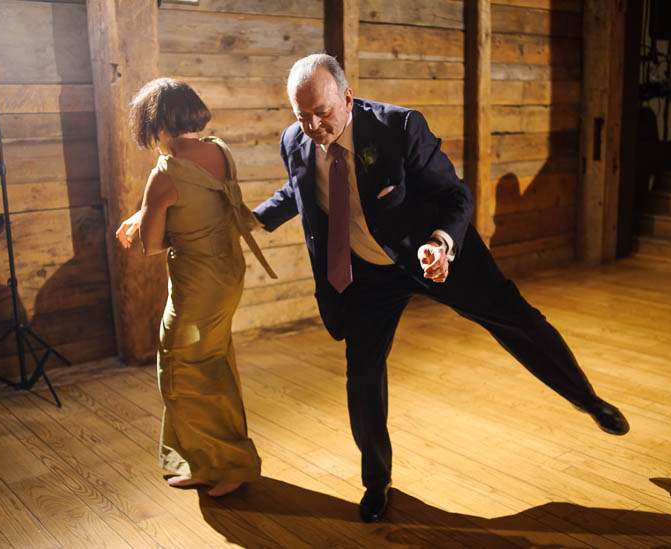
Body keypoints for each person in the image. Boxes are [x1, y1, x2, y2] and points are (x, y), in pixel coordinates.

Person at [253, 53, 629, 522]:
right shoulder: (294, 140)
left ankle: (586, 399)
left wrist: (441, 242)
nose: (313, 126)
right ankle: (376, 482)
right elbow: (299, 187)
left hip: (433, 253)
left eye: (323, 113)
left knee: (516, 320)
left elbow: (457, 195)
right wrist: (255, 219)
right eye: (302, 116)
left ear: (347, 97)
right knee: (363, 375)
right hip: (367, 274)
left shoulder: (399, 127)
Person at [115, 78, 277, 496]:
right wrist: (145, 212)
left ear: (154, 123)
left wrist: (146, 217)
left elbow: (152, 245)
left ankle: (228, 464)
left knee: (180, 369)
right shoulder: (219, 151)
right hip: (226, 275)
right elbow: (200, 205)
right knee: (212, 364)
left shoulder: (165, 173)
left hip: (196, 286)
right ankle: (206, 461)